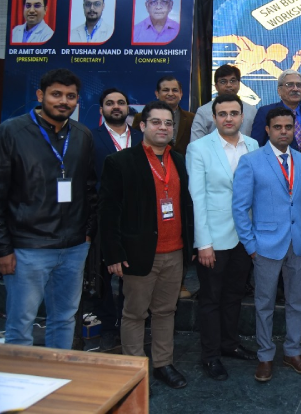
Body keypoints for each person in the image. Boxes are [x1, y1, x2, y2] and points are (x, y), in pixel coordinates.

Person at [0, 68, 96, 349]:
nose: (63, 101)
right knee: (21, 323)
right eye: (56, 94)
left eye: (70, 96)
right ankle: (20, 377)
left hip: (74, 247)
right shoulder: (9, 133)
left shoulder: (82, 135)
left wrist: (87, 232)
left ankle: (56, 372)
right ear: (40, 95)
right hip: (27, 248)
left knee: (65, 318)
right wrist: (1, 249)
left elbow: (89, 188)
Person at [99, 100, 194, 389]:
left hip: (174, 251)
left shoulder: (179, 160)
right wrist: (113, 254)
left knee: (166, 311)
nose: (163, 127)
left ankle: (164, 364)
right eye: (156, 122)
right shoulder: (120, 162)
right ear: (142, 126)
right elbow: (108, 211)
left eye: (168, 123)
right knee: (135, 313)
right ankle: (134, 370)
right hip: (138, 254)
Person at [233, 107, 301, 382]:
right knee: (264, 303)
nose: (283, 131)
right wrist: (251, 245)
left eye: (288, 127)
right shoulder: (251, 161)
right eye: (278, 127)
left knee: (297, 302)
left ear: (294, 130)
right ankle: (265, 356)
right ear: (267, 130)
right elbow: (240, 207)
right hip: (265, 245)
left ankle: (293, 352)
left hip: (298, 244)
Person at [186, 94, 259, 381]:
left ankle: (229, 344)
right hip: (214, 238)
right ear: (214, 118)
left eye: (234, 113)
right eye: (222, 114)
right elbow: (197, 197)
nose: (228, 118)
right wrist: (203, 243)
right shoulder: (199, 148)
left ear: (242, 116)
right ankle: (211, 355)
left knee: (234, 295)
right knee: (211, 299)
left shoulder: (253, 145)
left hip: (245, 237)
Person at [90, 87, 143, 350]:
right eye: (110, 103)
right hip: (104, 216)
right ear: (102, 109)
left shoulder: (141, 136)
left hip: (136, 217)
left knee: (131, 276)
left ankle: (128, 325)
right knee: (103, 274)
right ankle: (108, 326)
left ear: (127, 107)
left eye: (120, 102)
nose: (116, 107)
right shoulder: (91, 137)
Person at [251, 69, 301, 151]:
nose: (295, 89)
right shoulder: (265, 112)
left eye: (299, 85)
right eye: (290, 85)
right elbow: (256, 145)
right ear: (279, 90)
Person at [131, 76, 194, 158]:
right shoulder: (140, 117)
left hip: (183, 163)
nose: (170, 94)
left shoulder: (192, 118)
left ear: (181, 94)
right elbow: (135, 142)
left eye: (175, 90)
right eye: (166, 90)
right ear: (157, 94)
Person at [191, 64, 257, 140]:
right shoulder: (203, 111)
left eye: (232, 81)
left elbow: (258, 142)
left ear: (239, 84)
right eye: (223, 81)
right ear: (216, 86)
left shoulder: (252, 111)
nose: (228, 85)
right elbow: (196, 142)